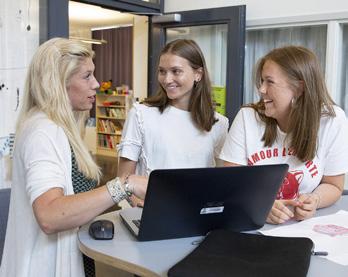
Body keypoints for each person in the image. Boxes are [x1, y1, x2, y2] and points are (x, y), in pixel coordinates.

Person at [0, 38, 147, 277]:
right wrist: (124, 185)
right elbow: (49, 215)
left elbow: (73, 200)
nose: (97, 84)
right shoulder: (43, 132)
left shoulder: (56, 127)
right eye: (87, 76)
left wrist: (122, 195)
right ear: (58, 83)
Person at [220, 45, 348, 224]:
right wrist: (259, 204)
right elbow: (229, 183)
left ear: (299, 88)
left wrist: (314, 200)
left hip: (303, 228)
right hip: (254, 226)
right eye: (262, 81)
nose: (261, 89)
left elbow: (334, 185)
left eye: (269, 82)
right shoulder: (247, 117)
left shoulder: (332, 120)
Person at [117, 39, 228, 199]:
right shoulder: (141, 114)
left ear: (198, 74)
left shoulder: (219, 124)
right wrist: (137, 202)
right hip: (150, 213)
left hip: (196, 216)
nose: (167, 79)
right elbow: (123, 180)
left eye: (176, 71)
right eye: (162, 71)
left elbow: (221, 181)